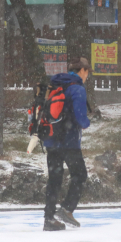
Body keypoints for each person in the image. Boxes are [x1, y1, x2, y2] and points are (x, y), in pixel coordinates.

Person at [43, 57, 91, 231]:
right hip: (69, 142)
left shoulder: (55, 85)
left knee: (54, 180)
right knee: (80, 175)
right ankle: (67, 209)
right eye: (88, 73)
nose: (87, 76)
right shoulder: (77, 89)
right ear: (83, 70)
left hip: (51, 140)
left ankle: (49, 219)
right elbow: (80, 116)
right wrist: (87, 123)